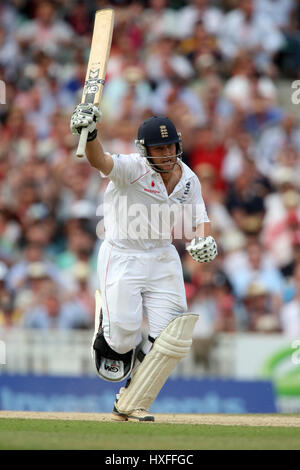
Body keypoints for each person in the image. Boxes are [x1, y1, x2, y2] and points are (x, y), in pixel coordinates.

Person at [70, 104, 217, 422]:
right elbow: (101, 160)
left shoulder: (188, 178)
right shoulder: (132, 168)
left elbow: (197, 220)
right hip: (123, 255)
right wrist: (91, 133)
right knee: (123, 337)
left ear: (178, 146)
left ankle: (131, 400)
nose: (165, 154)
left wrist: (203, 240)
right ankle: (107, 326)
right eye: (158, 148)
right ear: (144, 150)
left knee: (171, 339)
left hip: (163, 257)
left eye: (170, 147)